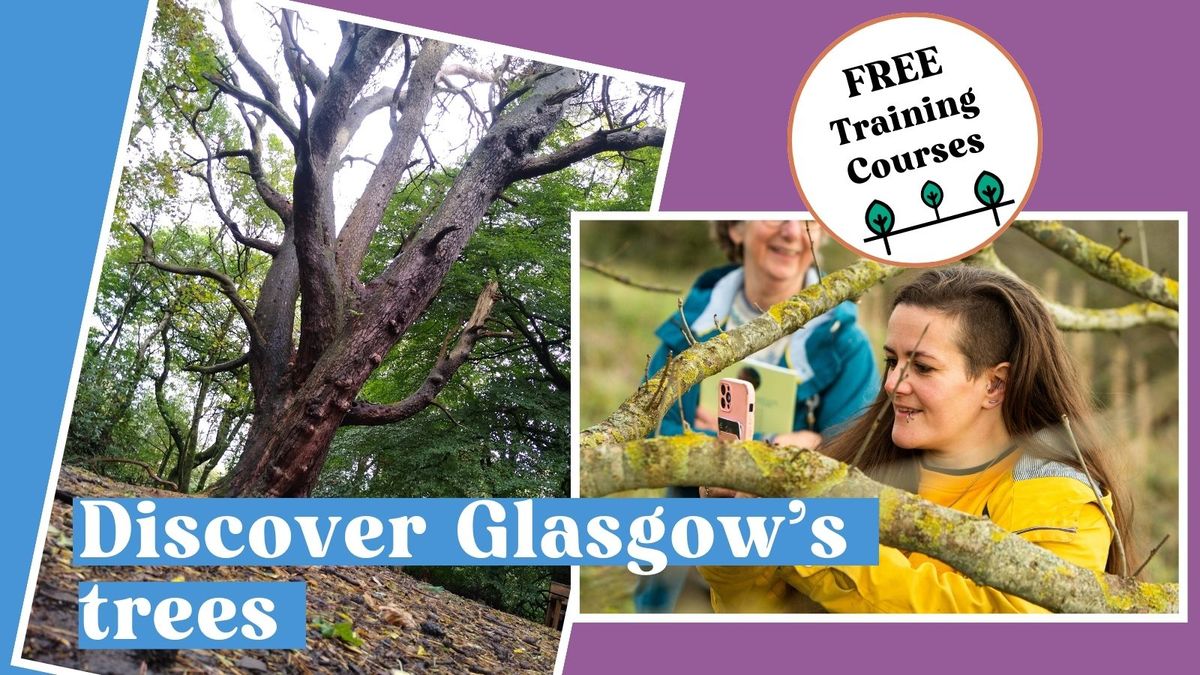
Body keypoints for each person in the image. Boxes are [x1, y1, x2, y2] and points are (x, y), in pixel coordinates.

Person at [700, 266, 1135, 613]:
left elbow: (999, 626)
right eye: (892, 360)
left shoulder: (1060, 496)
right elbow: (753, 610)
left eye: (922, 367)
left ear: (995, 385)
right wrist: (744, 527)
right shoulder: (856, 463)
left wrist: (809, 538)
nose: (892, 383)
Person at [634, 220, 879, 612]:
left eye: (808, 221)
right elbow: (651, 427)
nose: (791, 231)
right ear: (735, 228)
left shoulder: (844, 342)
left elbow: (862, 455)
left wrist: (815, 445)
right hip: (686, 540)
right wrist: (701, 452)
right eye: (771, 213)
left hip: (787, 560)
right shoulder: (689, 325)